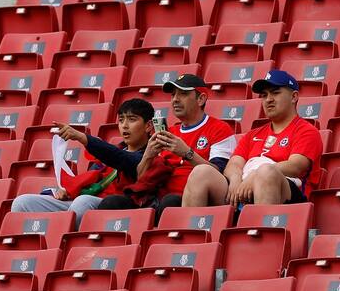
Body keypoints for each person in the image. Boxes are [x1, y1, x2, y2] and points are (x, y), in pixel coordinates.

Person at [98, 74, 237, 214]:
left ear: (201, 99)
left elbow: (218, 174)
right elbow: (141, 178)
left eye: (183, 94)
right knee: (112, 203)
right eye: (173, 95)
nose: (175, 100)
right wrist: (148, 155)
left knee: (169, 202)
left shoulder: (220, 129)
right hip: (156, 197)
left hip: (191, 198)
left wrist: (187, 153)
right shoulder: (168, 131)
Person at [182, 70, 323, 207]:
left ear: (294, 97)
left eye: (275, 93)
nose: (268, 100)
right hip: (244, 187)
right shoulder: (253, 134)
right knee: (201, 172)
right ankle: (191, 230)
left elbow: (295, 166)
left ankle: (262, 229)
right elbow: (234, 165)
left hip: (288, 193)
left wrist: (256, 174)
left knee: (266, 173)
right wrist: (236, 179)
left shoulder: (306, 131)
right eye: (264, 95)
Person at [10, 98, 154, 227]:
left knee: (82, 203)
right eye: (121, 120)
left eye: (132, 119)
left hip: (111, 206)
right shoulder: (111, 152)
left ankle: (63, 246)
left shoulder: (151, 155)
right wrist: (68, 190)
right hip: (84, 200)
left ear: (148, 126)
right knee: (22, 203)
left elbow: (123, 159)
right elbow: (91, 178)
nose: (125, 125)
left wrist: (82, 137)